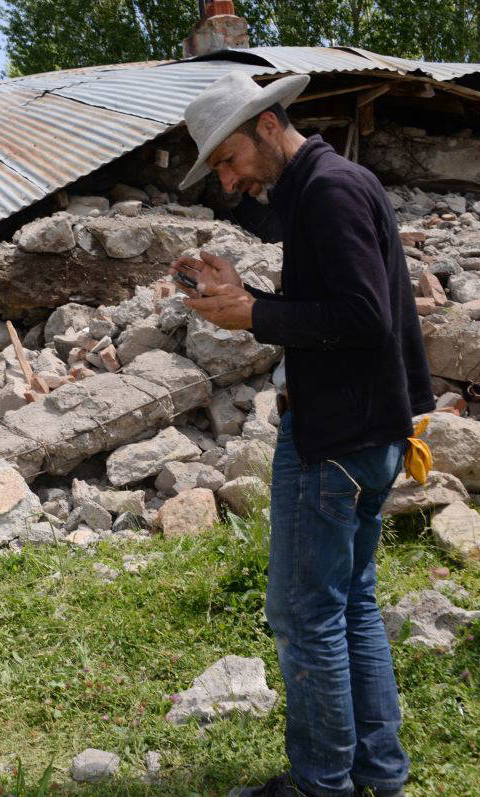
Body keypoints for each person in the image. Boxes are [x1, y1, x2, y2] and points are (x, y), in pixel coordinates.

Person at [171, 73, 435, 797]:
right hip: (369, 430)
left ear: (265, 124)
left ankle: (322, 783)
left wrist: (251, 313)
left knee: (304, 615)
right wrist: (242, 291)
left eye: (227, 159)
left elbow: (360, 316)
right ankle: (378, 776)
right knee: (350, 603)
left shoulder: (331, 192)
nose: (227, 180)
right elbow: (341, 301)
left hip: (337, 437)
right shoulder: (324, 185)